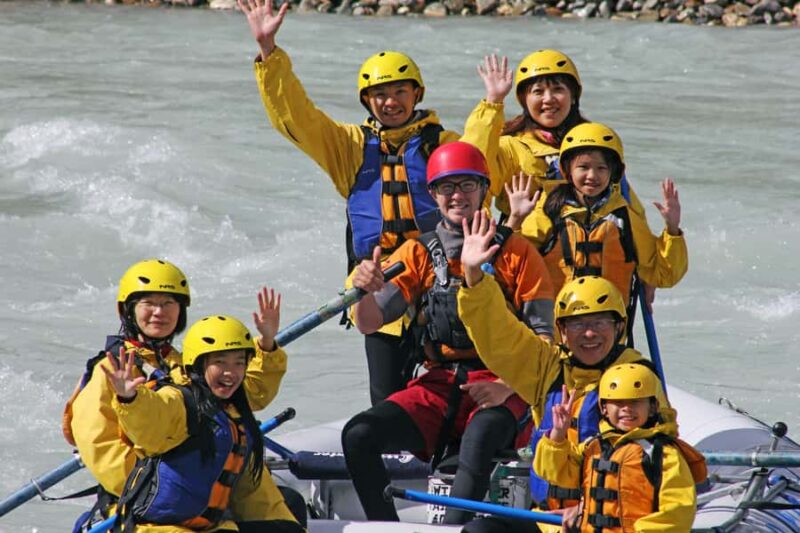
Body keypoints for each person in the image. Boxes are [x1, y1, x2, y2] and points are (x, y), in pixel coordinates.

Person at [239, 0, 461, 406]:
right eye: (380, 94)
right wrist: (269, 53)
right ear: (366, 101)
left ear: (417, 93)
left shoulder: (443, 145)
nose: (390, 101)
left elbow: (483, 169)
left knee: (455, 381)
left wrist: (493, 104)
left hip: (441, 277)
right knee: (388, 397)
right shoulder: (351, 148)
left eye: (400, 91)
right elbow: (299, 118)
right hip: (377, 282)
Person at [341, 141, 554, 525]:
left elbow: (545, 339)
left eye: (468, 185)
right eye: (446, 187)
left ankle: (454, 529)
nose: (458, 195)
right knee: (358, 434)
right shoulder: (417, 253)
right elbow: (369, 323)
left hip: (507, 384)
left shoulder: (519, 253)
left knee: (481, 435)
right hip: (442, 384)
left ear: (484, 189)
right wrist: (364, 290)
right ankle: (386, 527)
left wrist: (507, 386)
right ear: (433, 194)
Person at [64, 260, 298, 530]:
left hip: (200, 486)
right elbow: (100, 447)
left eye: (168, 303)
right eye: (148, 303)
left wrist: (266, 346)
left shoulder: (184, 362)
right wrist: (162, 486)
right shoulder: (111, 370)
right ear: (127, 310)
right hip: (149, 506)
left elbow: (246, 395)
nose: (159, 312)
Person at [456, 247, 670, 532]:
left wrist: (591, 507)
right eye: (578, 324)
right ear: (563, 331)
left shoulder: (637, 378)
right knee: (479, 531)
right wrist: (474, 277)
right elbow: (498, 334)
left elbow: (653, 461)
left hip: (610, 521)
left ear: (619, 327)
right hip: (548, 520)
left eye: (600, 322)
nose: (589, 333)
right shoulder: (547, 367)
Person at [106, 314, 303, 533]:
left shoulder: (231, 407)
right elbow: (151, 418)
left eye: (239, 363)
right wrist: (130, 398)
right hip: (158, 529)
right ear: (198, 365)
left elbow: (259, 387)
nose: (230, 372)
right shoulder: (180, 401)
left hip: (205, 528)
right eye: (220, 362)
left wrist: (266, 343)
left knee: (288, 529)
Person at [508, 122, 687, 310]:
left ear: (613, 172)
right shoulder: (549, 210)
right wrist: (515, 220)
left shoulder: (624, 217)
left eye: (601, 168)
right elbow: (514, 266)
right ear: (567, 170)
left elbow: (663, 274)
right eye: (583, 167)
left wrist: (672, 230)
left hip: (607, 322)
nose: (592, 175)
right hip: (557, 320)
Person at [462, 51, 644, 219]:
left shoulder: (598, 145)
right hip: (526, 242)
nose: (548, 99)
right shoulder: (511, 148)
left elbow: (629, 214)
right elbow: (469, 168)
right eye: (538, 91)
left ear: (573, 96)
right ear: (524, 100)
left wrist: (663, 236)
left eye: (558, 89)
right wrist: (493, 102)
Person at [534, 362, 704, 531]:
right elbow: (554, 472)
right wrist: (558, 433)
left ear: (652, 408)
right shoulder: (593, 447)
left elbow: (677, 512)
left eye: (635, 402)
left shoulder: (664, 455)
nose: (626, 409)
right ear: (604, 409)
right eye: (618, 402)